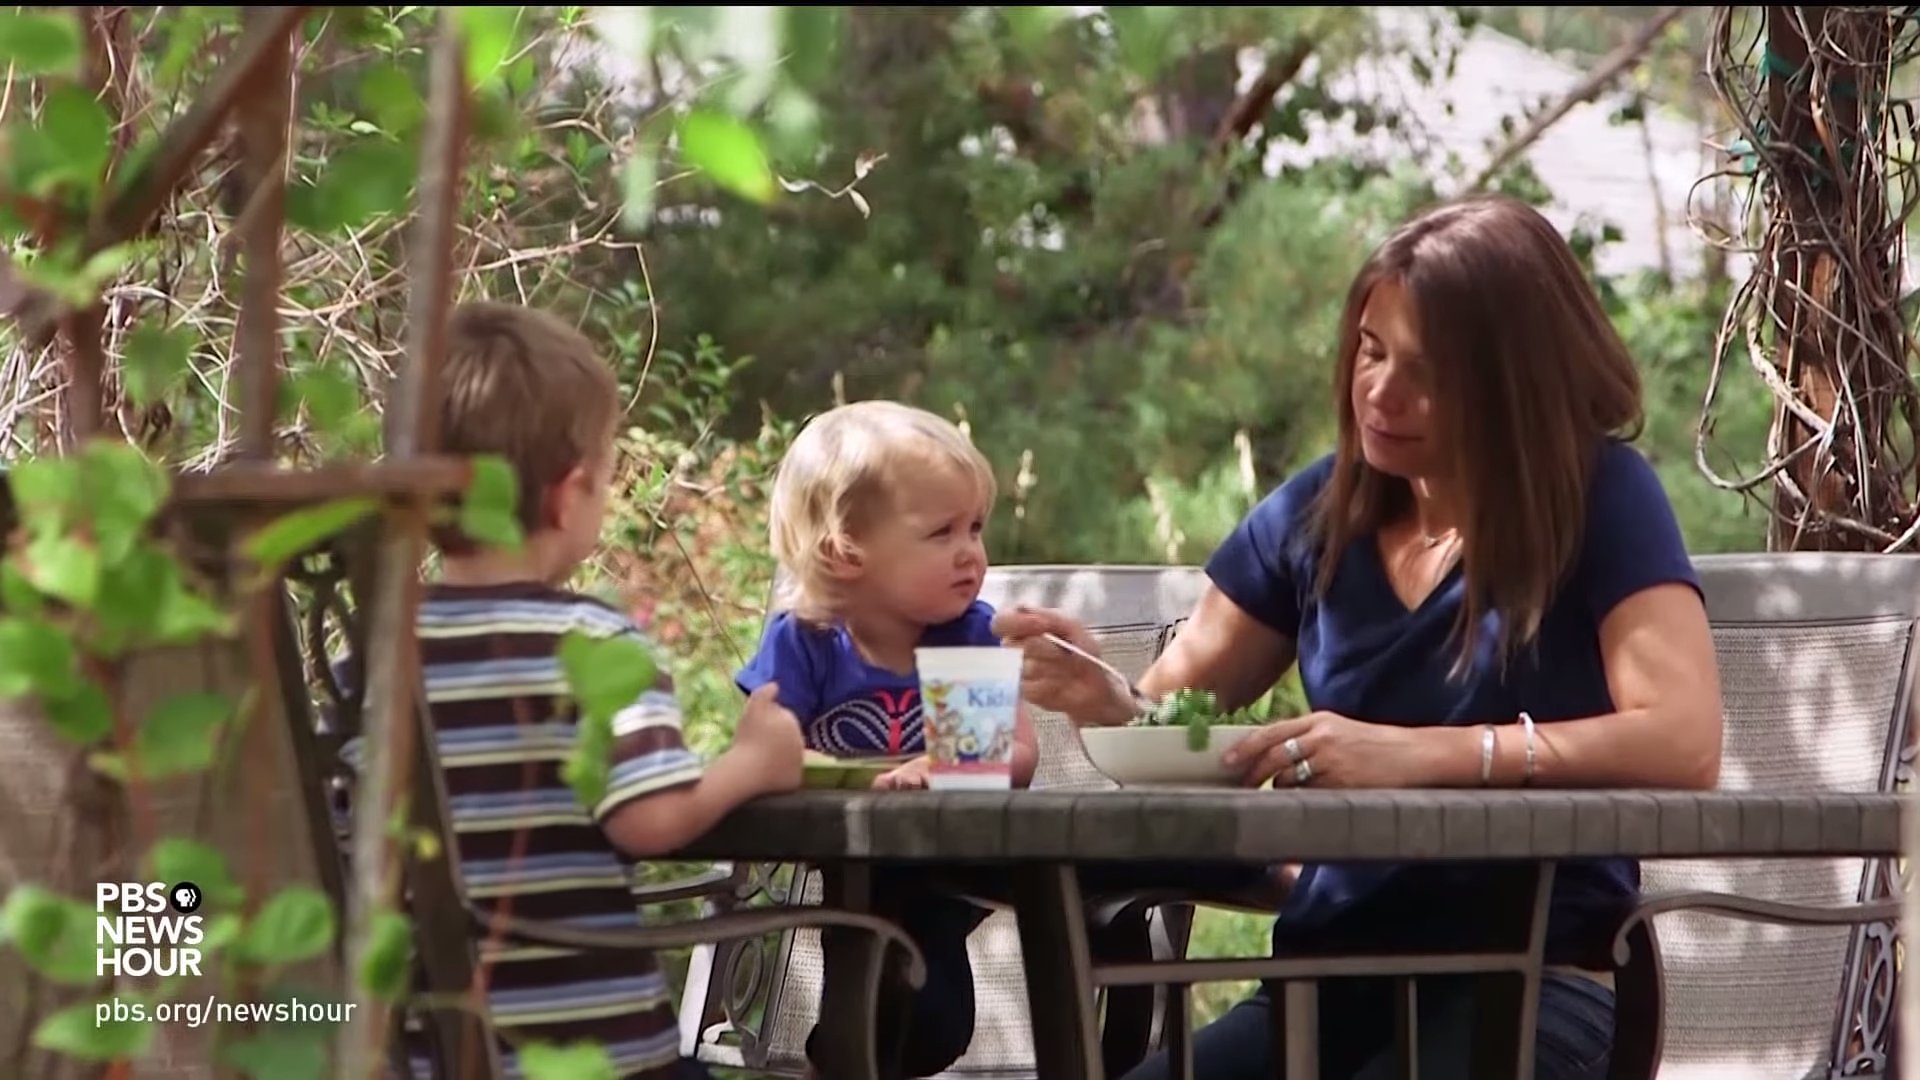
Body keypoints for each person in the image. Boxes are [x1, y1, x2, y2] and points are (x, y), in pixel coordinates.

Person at [995, 194, 1726, 1080]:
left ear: (1513, 381)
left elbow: (1684, 740)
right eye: (1370, 353)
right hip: (1324, 985)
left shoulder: (1601, 497)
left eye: (1425, 372)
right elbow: (1183, 730)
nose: (1380, 391)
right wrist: (1105, 699)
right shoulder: (1316, 511)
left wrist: (1424, 756)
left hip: (1531, 986)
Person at [361, 300, 805, 1079]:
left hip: (416, 1057)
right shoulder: (594, 646)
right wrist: (752, 763)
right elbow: (649, 819)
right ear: (570, 496)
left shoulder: (373, 655)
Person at [735, 399, 1040, 1078]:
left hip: (951, 868)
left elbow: (1017, 755)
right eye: (941, 534)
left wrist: (948, 767)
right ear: (846, 551)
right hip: (850, 866)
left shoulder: (967, 632)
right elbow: (762, 749)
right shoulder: (808, 640)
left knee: (930, 1022)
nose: (972, 555)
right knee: (888, 1019)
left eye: (976, 528)